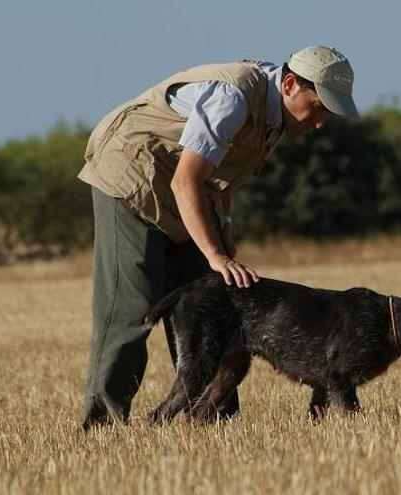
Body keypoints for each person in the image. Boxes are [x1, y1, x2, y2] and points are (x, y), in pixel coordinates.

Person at [77, 45, 359, 429]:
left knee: (212, 303)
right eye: (319, 106)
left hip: (182, 189)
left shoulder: (278, 117)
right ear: (291, 84)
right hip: (130, 177)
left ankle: (212, 420)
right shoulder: (234, 98)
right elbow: (186, 179)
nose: (321, 122)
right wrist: (214, 254)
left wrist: (224, 227)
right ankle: (100, 426)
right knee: (133, 310)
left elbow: (221, 173)